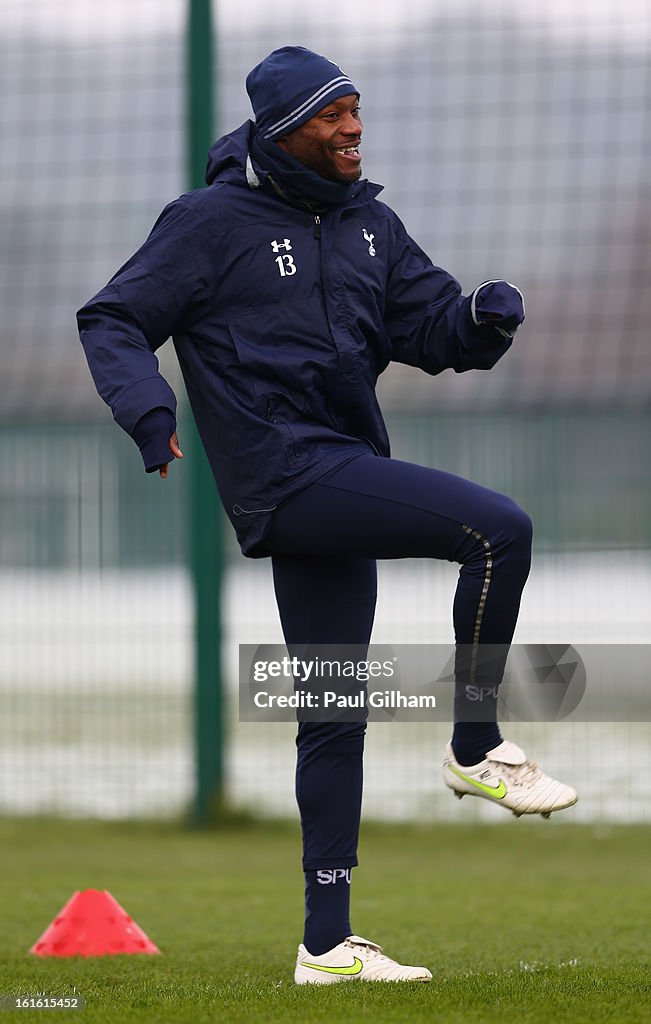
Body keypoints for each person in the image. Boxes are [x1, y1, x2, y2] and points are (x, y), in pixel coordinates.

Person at [77, 45, 577, 985]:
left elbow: (428, 332)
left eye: (355, 108)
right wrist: (147, 409)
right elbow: (112, 317)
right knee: (495, 529)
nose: (352, 127)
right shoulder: (207, 224)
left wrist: (481, 317)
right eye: (329, 115)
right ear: (279, 132)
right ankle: (476, 743)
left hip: (339, 476)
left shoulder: (370, 226)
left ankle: (326, 945)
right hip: (286, 475)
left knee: (331, 711)